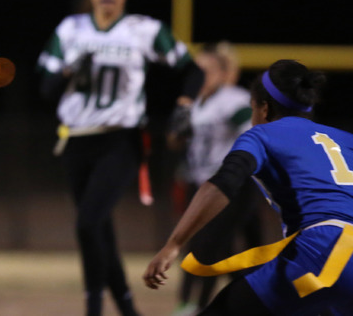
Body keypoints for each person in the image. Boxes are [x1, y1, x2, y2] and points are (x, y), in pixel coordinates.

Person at [37, 0, 204, 316]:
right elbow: (46, 90)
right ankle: (127, 308)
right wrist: (68, 72)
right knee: (100, 229)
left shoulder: (144, 29)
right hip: (76, 140)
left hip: (120, 139)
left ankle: (94, 306)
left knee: (88, 222)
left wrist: (186, 104)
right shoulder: (70, 30)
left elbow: (193, 71)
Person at [143, 59, 353, 316]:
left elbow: (223, 183)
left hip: (321, 250)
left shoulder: (263, 134)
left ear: (264, 109)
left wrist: (174, 244)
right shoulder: (345, 139)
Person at [167, 42, 258, 316]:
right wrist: (178, 130)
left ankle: (194, 306)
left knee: (207, 246)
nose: (199, 77)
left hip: (231, 186)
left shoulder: (232, 99)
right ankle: (254, 304)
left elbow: (253, 132)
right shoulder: (193, 101)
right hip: (202, 183)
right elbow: (174, 142)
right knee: (227, 252)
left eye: (205, 71)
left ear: (221, 73)